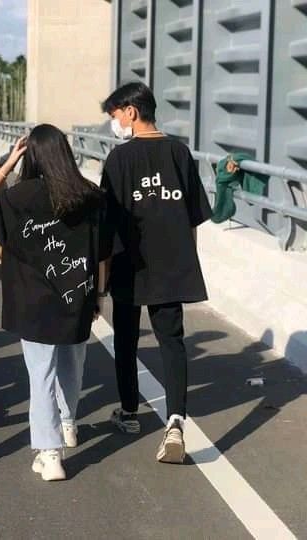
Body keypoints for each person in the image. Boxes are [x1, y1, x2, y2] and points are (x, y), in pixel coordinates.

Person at [0, 124, 110, 481]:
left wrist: (6, 165)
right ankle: (68, 424)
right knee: (72, 363)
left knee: (41, 375)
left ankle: (50, 454)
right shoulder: (91, 196)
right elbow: (102, 254)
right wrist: (98, 295)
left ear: (30, 155)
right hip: (77, 296)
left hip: (32, 304)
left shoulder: (19, 197)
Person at [100, 82, 212, 464]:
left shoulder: (118, 161)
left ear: (131, 112)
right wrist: (185, 257)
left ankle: (129, 413)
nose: (115, 124)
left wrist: (101, 279)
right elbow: (194, 215)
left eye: (115, 116)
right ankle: (176, 421)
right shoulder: (180, 153)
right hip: (171, 265)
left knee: (127, 341)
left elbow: (107, 224)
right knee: (172, 341)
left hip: (130, 266)